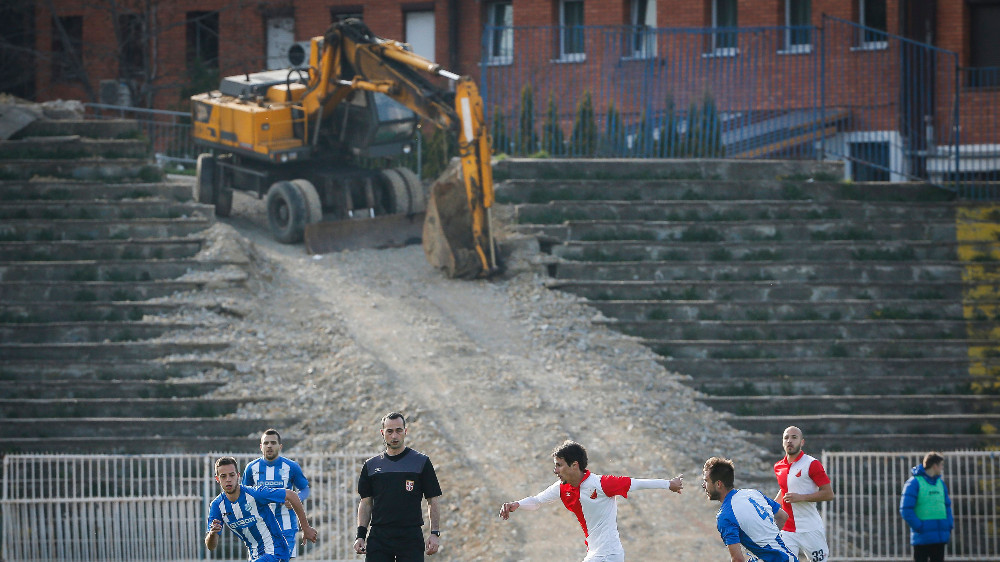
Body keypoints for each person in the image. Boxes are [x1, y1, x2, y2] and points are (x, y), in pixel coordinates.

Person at [497, 440, 684, 562]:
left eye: (559, 465)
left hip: (610, 555)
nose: (555, 471)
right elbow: (537, 501)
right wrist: (517, 505)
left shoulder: (601, 483)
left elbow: (636, 484)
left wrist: (669, 484)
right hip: (594, 554)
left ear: (574, 465)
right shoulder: (562, 487)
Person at [354, 412, 442, 561]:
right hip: (379, 537)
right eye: (389, 431)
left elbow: (432, 500)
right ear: (383, 433)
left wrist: (434, 533)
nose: (394, 436)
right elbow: (366, 503)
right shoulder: (371, 465)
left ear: (405, 432)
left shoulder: (421, 462)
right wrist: (360, 535)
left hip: (410, 536)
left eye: (398, 430)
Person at [205, 456, 318, 562]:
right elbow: (211, 546)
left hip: (275, 551)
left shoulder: (255, 493)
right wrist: (212, 533)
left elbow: (291, 495)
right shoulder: (217, 505)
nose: (228, 479)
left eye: (232, 475)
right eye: (223, 476)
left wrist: (305, 527)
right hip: (255, 555)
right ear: (217, 479)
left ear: (238, 476)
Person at [703, 456, 798, 562]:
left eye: (706, 481)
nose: (704, 485)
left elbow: (738, 559)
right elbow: (782, 516)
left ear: (718, 484)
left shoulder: (725, 515)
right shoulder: (753, 493)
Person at [243, 428, 312, 558]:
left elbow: (305, 489)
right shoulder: (251, 468)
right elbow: (245, 494)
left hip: (286, 526)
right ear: (261, 447)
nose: (269, 446)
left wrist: (296, 498)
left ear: (280, 446)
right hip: (261, 526)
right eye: (266, 443)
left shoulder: (291, 466)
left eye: (273, 443)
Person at [773, 426, 834, 562]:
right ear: (782, 442)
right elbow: (784, 490)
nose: (790, 441)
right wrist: (769, 508)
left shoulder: (812, 464)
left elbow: (829, 494)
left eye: (794, 437)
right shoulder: (778, 466)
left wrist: (801, 498)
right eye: (786, 438)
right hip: (787, 530)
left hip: (810, 529)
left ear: (802, 442)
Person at [899, 452, 954, 562]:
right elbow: (905, 509)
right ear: (935, 466)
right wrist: (919, 527)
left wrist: (948, 525)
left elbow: (947, 506)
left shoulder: (940, 483)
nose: (942, 468)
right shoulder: (914, 483)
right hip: (922, 538)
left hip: (939, 537)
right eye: (941, 465)